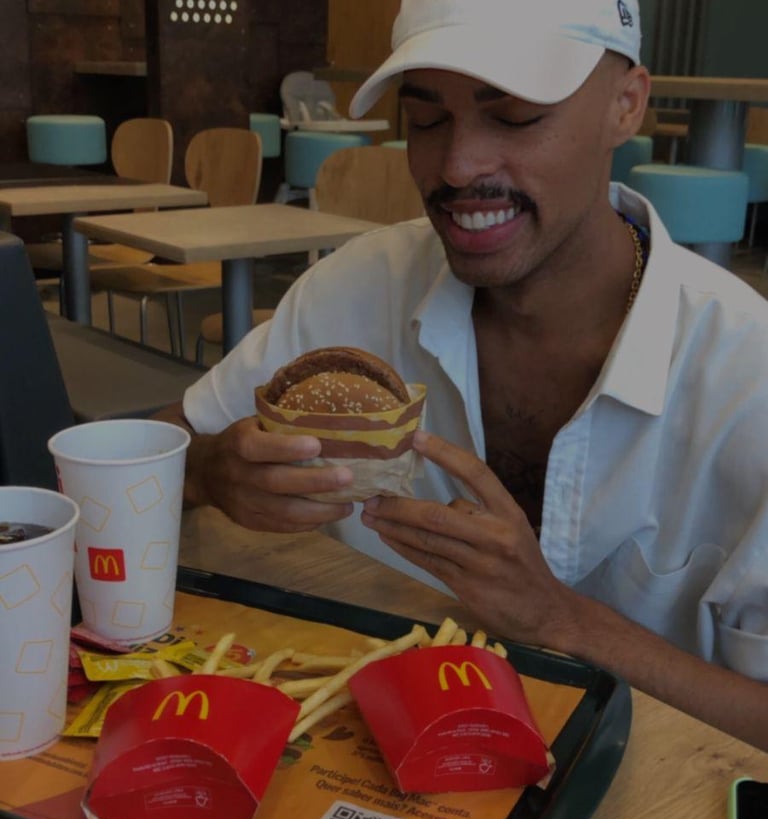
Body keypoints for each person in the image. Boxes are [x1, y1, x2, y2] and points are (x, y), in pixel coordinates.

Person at [158, 0, 768, 750]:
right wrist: (210, 471)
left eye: (514, 117)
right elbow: (156, 448)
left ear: (626, 104)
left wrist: (562, 619)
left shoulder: (746, 377)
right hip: (369, 756)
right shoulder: (356, 290)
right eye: (425, 120)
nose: (457, 166)